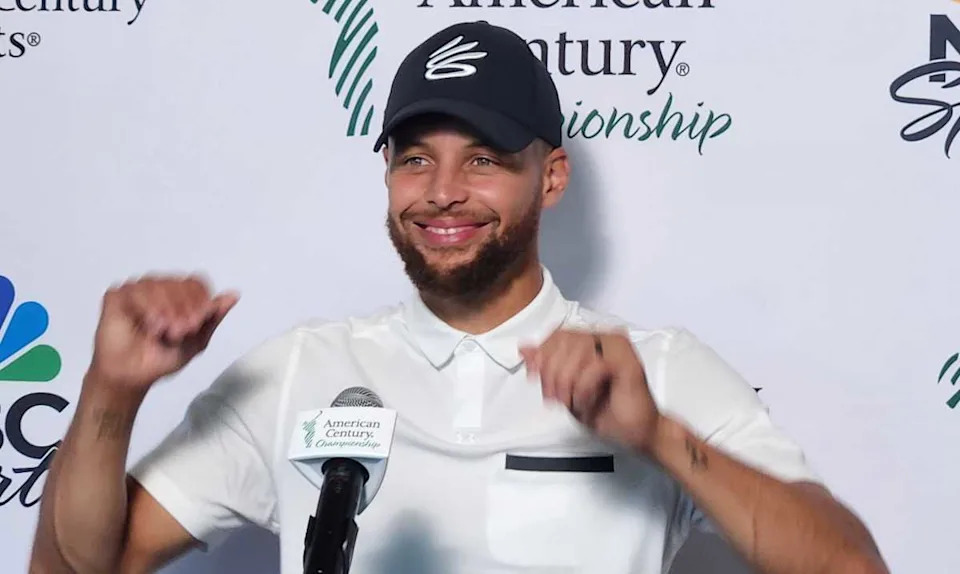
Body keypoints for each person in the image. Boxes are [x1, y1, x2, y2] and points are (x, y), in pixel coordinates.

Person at [29, 20, 889, 574]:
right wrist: (114, 390)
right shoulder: (300, 370)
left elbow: (850, 568)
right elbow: (74, 568)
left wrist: (657, 436)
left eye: (482, 158)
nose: (441, 190)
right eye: (414, 157)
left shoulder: (651, 370)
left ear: (550, 177)